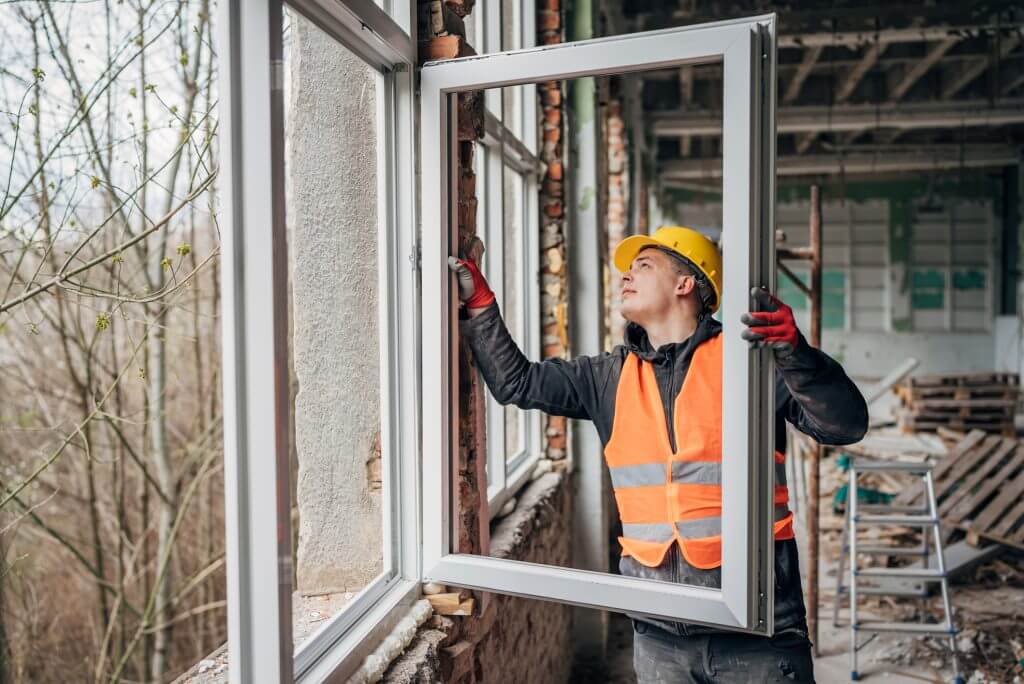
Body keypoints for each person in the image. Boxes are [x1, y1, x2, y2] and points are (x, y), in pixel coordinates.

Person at [449, 225, 867, 683]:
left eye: (643, 266)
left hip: (759, 634)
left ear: (685, 284)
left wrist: (797, 354)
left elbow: (844, 425)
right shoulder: (608, 376)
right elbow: (517, 383)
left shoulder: (749, 364)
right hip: (659, 637)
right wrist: (480, 304)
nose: (626, 276)